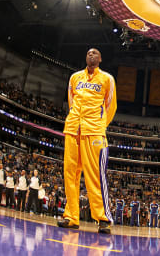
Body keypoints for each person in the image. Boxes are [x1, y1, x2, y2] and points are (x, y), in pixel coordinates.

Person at [57, 48, 116, 234]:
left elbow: (110, 105)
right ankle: (71, 216)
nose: (91, 55)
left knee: (95, 175)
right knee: (70, 175)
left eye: (95, 53)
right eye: (88, 53)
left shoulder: (107, 79)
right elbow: (71, 101)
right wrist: (76, 121)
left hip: (94, 131)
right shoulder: (75, 77)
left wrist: (99, 125)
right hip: (73, 128)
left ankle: (103, 218)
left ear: (100, 58)